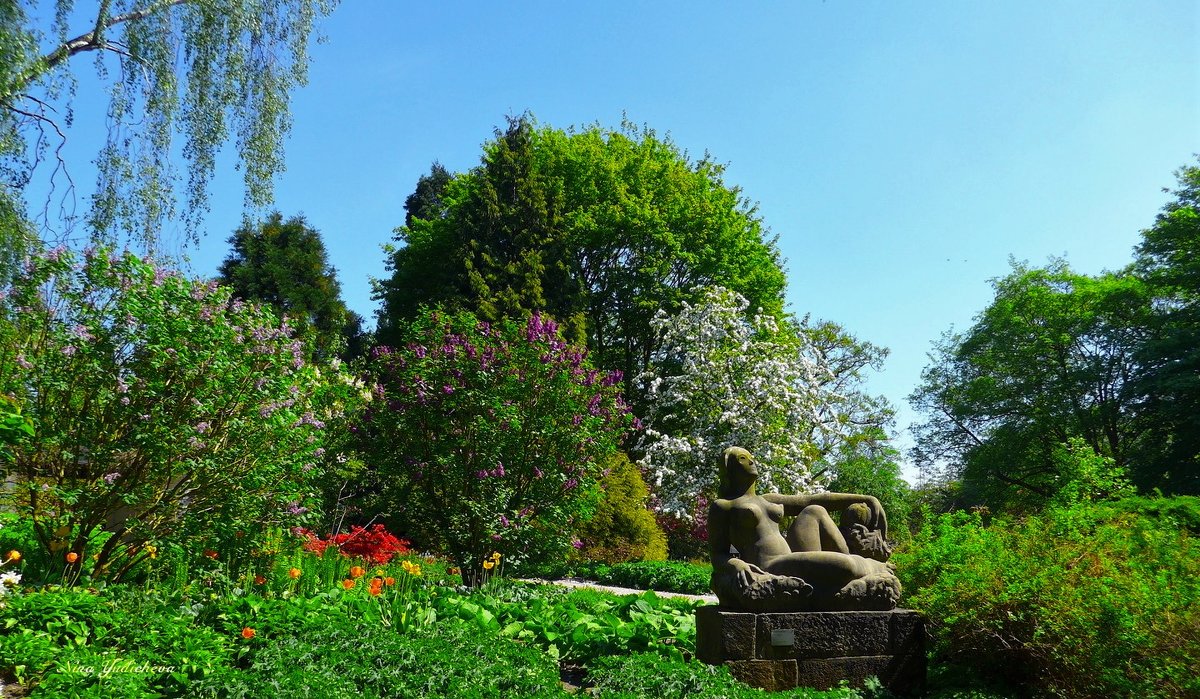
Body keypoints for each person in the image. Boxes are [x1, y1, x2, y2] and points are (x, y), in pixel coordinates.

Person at [708, 446, 900, 611]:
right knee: (846, 566)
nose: (751, 462)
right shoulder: (724, 506)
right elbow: (717, 554)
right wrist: (736, 564)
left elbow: (813, 499)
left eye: (752, 458)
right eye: (743, 459)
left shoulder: (768, 499)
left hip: (792, 556)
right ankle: (874, 567)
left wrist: (866, 498)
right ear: (728, 467)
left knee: (814, 510)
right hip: (770, 565)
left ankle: (842, 566)